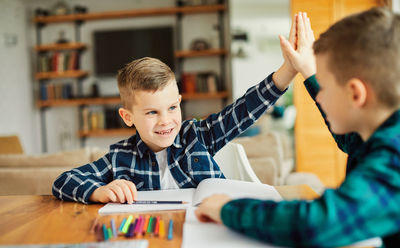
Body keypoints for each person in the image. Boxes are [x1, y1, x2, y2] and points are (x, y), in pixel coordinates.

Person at [195, 7, 400, 248]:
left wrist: (226, 209)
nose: (318, 96)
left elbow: (317, 223)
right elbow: (350, 141)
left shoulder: (395, 154)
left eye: (323, 86)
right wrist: (308, 70)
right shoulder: (381, 132)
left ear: (356, 94)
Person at [52, 15, 300, 205]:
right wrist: (98, 191)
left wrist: (287, 71)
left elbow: (245, 110)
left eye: (172, 108)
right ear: (128, 117)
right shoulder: (119, 158)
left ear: (180, 101)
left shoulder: (197, 137)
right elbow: (63, 182)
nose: (166, 121)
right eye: (152, 113)